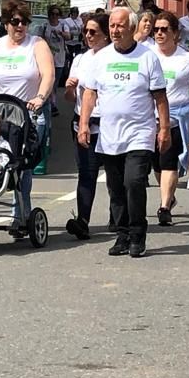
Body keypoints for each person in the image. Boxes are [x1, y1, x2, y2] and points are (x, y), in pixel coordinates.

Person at [78, 6, 170, 258]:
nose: (115, 30)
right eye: (112, 26)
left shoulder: (147, 57)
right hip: (109, 135)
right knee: (116, 187)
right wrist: (84, 124)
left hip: (139, 132)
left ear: (132, 27)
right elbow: (89, 93)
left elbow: (160, 96)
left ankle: (138, 233)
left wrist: (164, 128)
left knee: (134, 181)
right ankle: (122, 234)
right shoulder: (101, 58)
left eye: (119, 26)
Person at [0, 0, 55, 226]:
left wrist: (40, 97)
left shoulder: (36, 45)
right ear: (6, 23)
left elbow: (48, 74)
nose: (20, 26)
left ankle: (20, 214)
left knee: (22, 167)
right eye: (15, 22)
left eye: (24, 22)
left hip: (29, 115)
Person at [63, 13, 111, 239]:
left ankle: (117, 217)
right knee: (86, 173)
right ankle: (82, 220)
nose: (88, 36)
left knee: (115, 173)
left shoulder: (113, 57)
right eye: (86, 31)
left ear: (106, 34)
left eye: (93, 32)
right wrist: (70, 89)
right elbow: (72, 98)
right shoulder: (80, 59)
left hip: (108, 121)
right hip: (82, 121)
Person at [151, 11, 189, 225]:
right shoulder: (148, 55)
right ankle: (168, 194)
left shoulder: (187, 59)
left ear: (175, 33)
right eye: (156, 29)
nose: (159, 33)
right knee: (157, 165)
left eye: (164, 29)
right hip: (150, 117)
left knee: (169, 161)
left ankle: (164, 206)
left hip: (177, 116)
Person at [42, 5, 70, 115]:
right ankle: (51, 104)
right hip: (47, 58)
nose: (54, 16)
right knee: (48, 80)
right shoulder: (45, 26)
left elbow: (68, 36)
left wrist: (61, 33)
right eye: (52, 14)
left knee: (55, 82)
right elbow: (40, 39)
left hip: (59, 57)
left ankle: (51, 102)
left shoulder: (63, 25)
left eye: (56, 14)